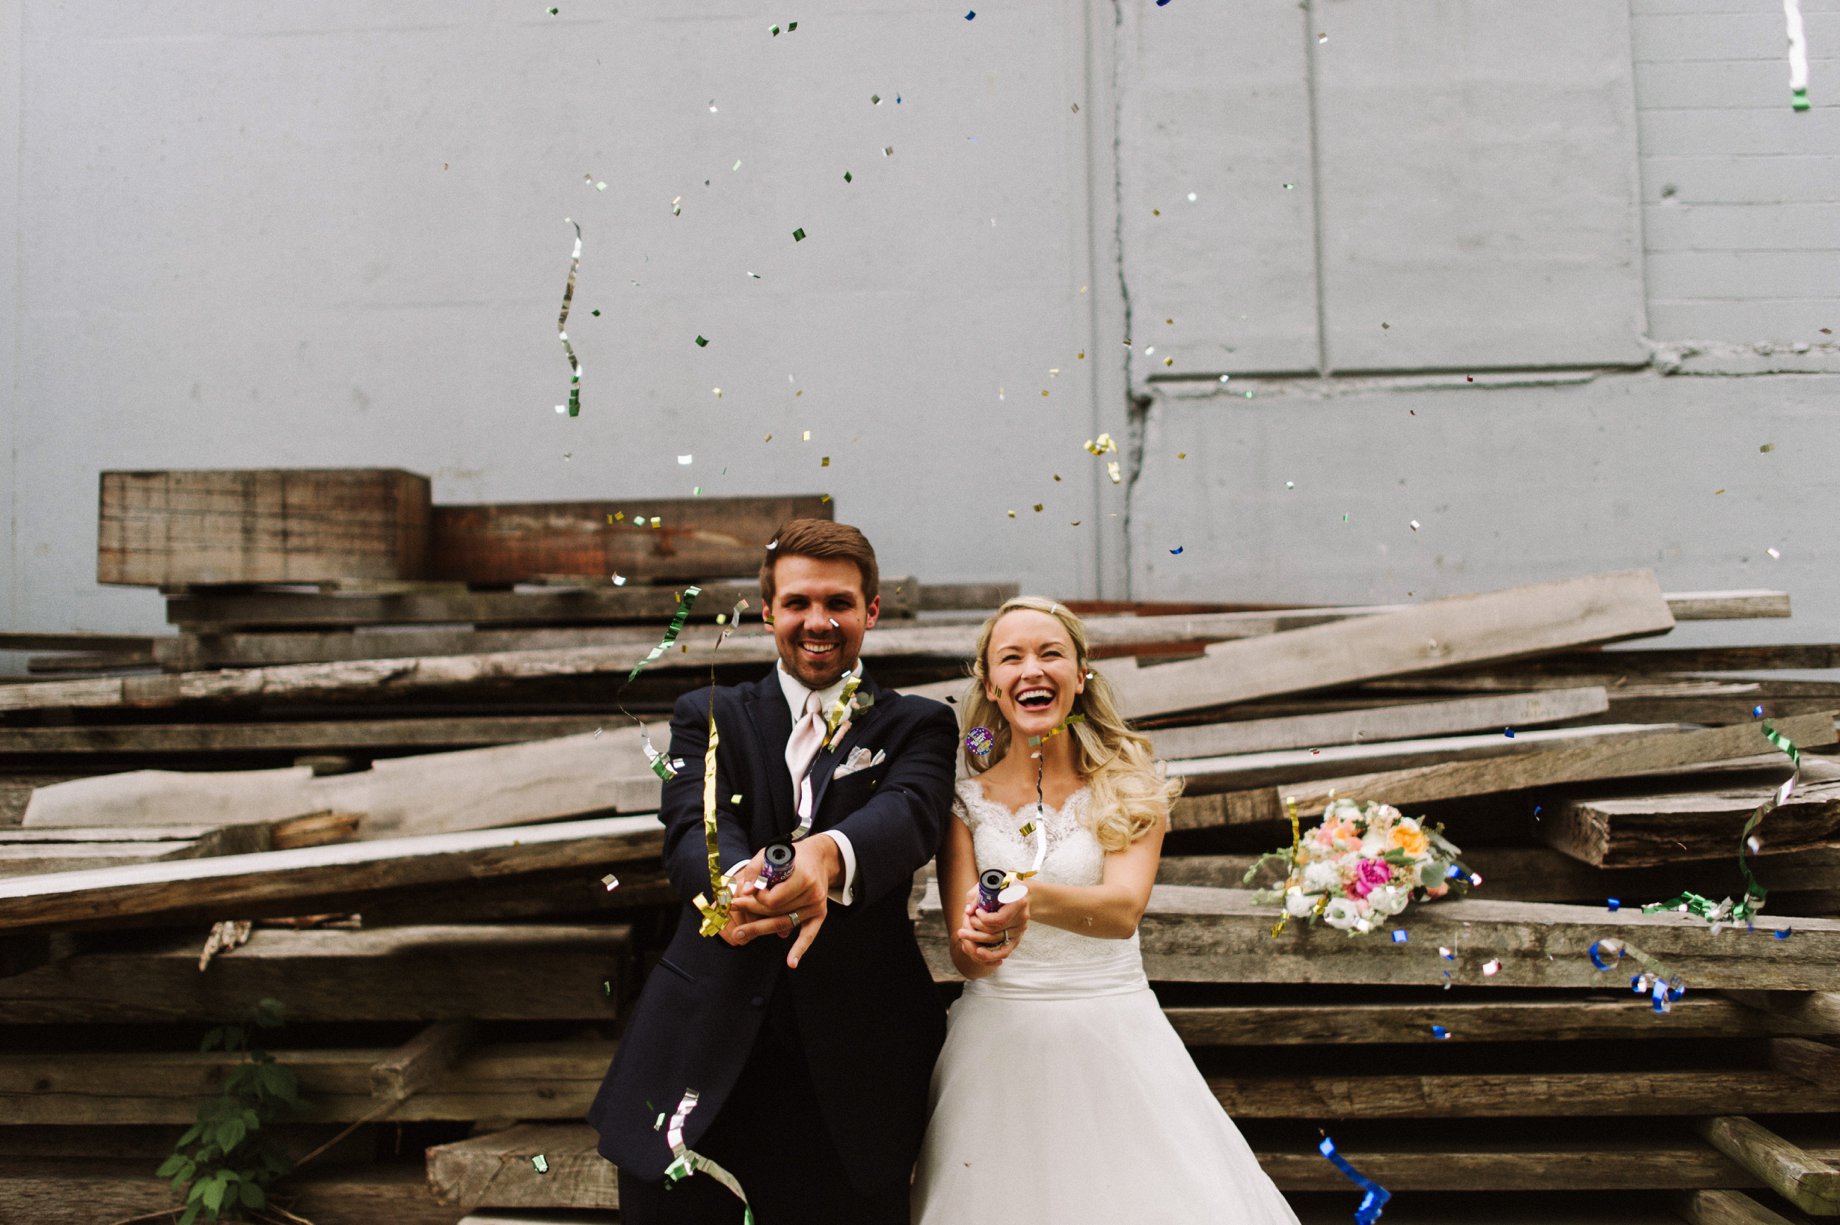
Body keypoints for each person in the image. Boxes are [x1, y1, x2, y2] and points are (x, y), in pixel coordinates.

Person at [587, 520, 958, 1225]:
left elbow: (909, 813)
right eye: (797, 603)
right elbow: (694, 828)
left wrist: (824, 856)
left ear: (871, 610)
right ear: (768, 613)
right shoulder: (709, 713)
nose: (818, 622)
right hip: (698, 1056)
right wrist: (735, 890)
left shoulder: (919, 725)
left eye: (839, 603)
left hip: (854, 1070)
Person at [911, 596, 1300, 1225]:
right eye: (1011, 658)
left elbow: (1122, 911)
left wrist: (1024, 898)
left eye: (1050, 654)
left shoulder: (1128, 785)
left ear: (1081, 673)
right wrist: (979, 942)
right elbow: (966, 954)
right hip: (998, 1048)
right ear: (990, 683)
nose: (1031, 669)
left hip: (1116, 1035)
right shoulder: (963, 802)